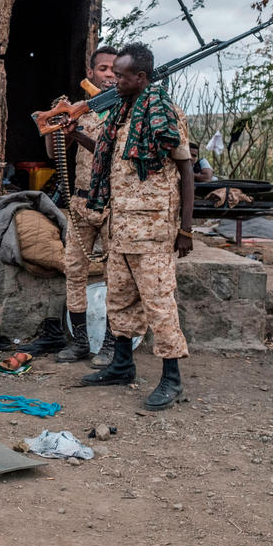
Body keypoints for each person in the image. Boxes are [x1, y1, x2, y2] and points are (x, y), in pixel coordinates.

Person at [77, 43, 194, 411]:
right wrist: (74, 132)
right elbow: (107, 154)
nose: (115, 80)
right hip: (122, 226)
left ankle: (171, 378)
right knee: (120, 299)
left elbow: (187, 170)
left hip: (154, 228)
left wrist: (186, 229)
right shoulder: (122, 114)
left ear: (141, 78)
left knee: (159, 304)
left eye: (123, 75)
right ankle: (122, 365)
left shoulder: (164, 113)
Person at [18, 46, 118, 366]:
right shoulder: (81, 109)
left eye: (115, 69)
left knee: (117, 274)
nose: (110, 74)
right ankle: (79, 342)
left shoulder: (125, 110)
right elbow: (52, 152)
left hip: (115, 203)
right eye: (103, 68)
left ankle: (112, 344)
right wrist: (57, 124)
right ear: (90, 73)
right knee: (74, 270)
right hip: (81, 199)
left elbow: (112, 154)